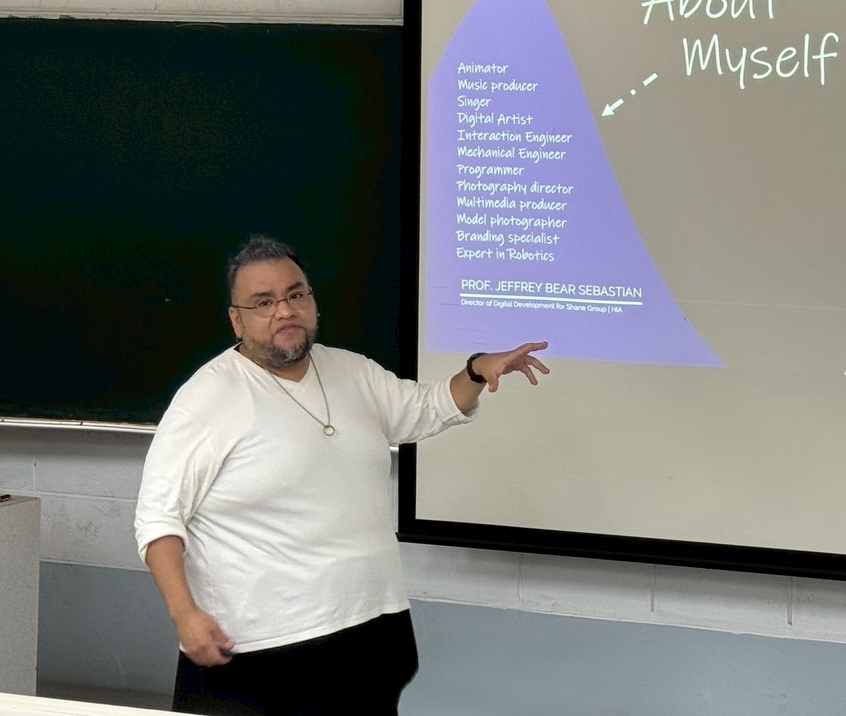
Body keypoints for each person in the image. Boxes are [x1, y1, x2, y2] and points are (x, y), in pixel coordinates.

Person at [135, 235, 549, 714]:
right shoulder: (207, 399)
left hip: (372, 629)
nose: (284, 311)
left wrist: (476, 370)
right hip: (261, 647)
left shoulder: (352, 371)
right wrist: (185, 614)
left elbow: (427, 407)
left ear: (312, 301)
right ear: (237, 319)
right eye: (263, 302)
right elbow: (158, 519)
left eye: (295, 294)